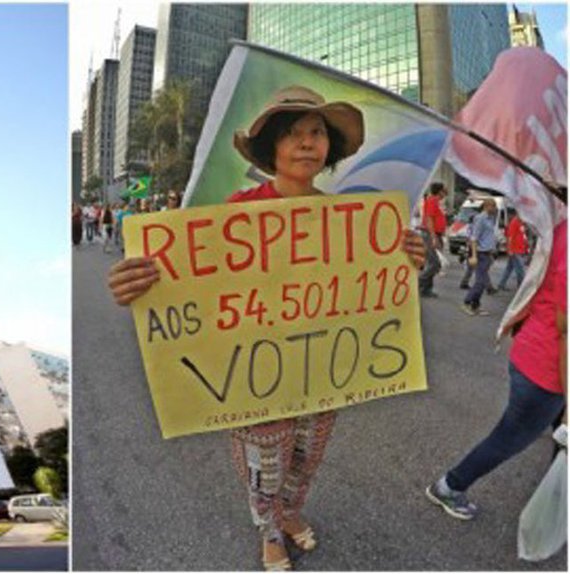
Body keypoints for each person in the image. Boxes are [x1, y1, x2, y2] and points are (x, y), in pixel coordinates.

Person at [108, 85, 425, 571]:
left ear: (329, 148)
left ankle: (293, 513)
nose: (305, 143)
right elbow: (185, 284)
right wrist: (136, 283)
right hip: (253, 381)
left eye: (316, 133)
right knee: (265, 466)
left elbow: (374, 287)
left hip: (323, 373)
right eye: (293, 133)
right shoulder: (235, 211)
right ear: (272, 147)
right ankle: (270, 531)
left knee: (307, 458)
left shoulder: (352, 221)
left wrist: (410, 260)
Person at [427, 220, 565, 519]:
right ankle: (450, 486)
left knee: (559, 435)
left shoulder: (562, 227)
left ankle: (557, 497)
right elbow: (566, 330)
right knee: (509, 437)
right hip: (547, 369)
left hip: (537, 353)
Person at [461, 198, 499, 316]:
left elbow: (488, 236)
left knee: (482, 282)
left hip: (487, 253)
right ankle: (467, 302)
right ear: (486, 206)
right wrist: (474, 256)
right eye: (493, 206)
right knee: (480, 282)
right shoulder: (481, 218)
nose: (495, 208)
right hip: (480, 253)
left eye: (495, 206)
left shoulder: (491, 218)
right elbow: (474, 238)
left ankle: (475, 305)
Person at [418, 183, 448, 297]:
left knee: (433, 262)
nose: (446, 192)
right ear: (439, 191)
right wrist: (433, 237)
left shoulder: (437, 202)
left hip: (436, 234)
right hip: (431, 234)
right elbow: (429, 219)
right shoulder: (432, 201)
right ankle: (418, 283)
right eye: (444, 190)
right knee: (435, 263)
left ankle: (426, 289)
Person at [497, 210, 528, 290]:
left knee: (509, 268)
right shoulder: (514, 222)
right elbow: (510, 237)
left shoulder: (520, 222)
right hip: (515, 250)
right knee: (520, 268)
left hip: (519, 249)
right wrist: (510, 249)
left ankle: (501, 284)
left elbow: (522, 235)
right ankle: (521, 286)